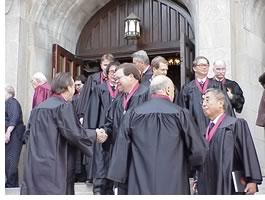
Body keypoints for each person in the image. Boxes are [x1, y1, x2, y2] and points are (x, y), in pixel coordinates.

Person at [107, 75, 208, 195]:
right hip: (174, 183)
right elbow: (199, 151)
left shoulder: (132, 114)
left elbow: (121, 152)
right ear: (169, 90)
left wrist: (120, 184)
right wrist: (188, 165)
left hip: (139, 183)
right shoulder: (181, 114)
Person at [20, 72, 108, 195]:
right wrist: (95, 135)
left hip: (35, 165)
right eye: (73, 87)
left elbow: (28, 135)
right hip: (56, 164)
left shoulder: (38, 109)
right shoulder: (63, 107)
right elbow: (74, 133)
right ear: (67, 87)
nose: (75, 91)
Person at [197, 88, 263, 195]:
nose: (204, 104)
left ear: (220, 103)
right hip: (209, 184)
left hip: (229, 184)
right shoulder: (206, 131)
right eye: (203, 101)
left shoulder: (235, 124)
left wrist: (252, 181)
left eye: (207, 100)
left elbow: (247, 151)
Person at [99, 62, 150, 194]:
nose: (116, 82)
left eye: (118, 78)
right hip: (121, 154)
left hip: (139, 155)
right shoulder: (118, 99)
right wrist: (104, 132)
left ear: (131, 76)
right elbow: (109, 122)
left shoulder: (146, 95)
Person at [84, 61, 120, 195]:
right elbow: (93, 111)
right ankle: (98, 188)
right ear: (106, 74)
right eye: (112, 72)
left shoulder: (121, 91)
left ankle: (110, 187)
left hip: (116, 132)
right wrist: (94, 131)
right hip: (102, 131)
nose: (114, 75)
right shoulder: (100, 89)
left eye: (117, 72)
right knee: (100, 160)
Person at [176, 56, 221, 135]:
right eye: (201, 65)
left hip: (216, 129)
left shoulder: (217, 86)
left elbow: (224, 108)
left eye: (206, 65)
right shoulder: (187, 88)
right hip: (194, 130)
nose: (204, 67)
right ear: (194, 68)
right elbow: (182, 110)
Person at [76, 54, 114, 118]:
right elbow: (85, 97)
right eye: (105, 65)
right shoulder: (92, 79)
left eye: (109, 65)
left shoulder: (116, 79)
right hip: (95, 112)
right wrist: (82, 115)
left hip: (111, 112)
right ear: (101, 65)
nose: (107, 67)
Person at [5, 85, 25, 188]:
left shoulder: (11, 102)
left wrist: (8, 132)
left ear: (8, 93)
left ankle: (11, 185)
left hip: (14, 135)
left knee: (10, 161)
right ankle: (11, 184)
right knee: (9, 161)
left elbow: (14, 117)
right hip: (12, 135)